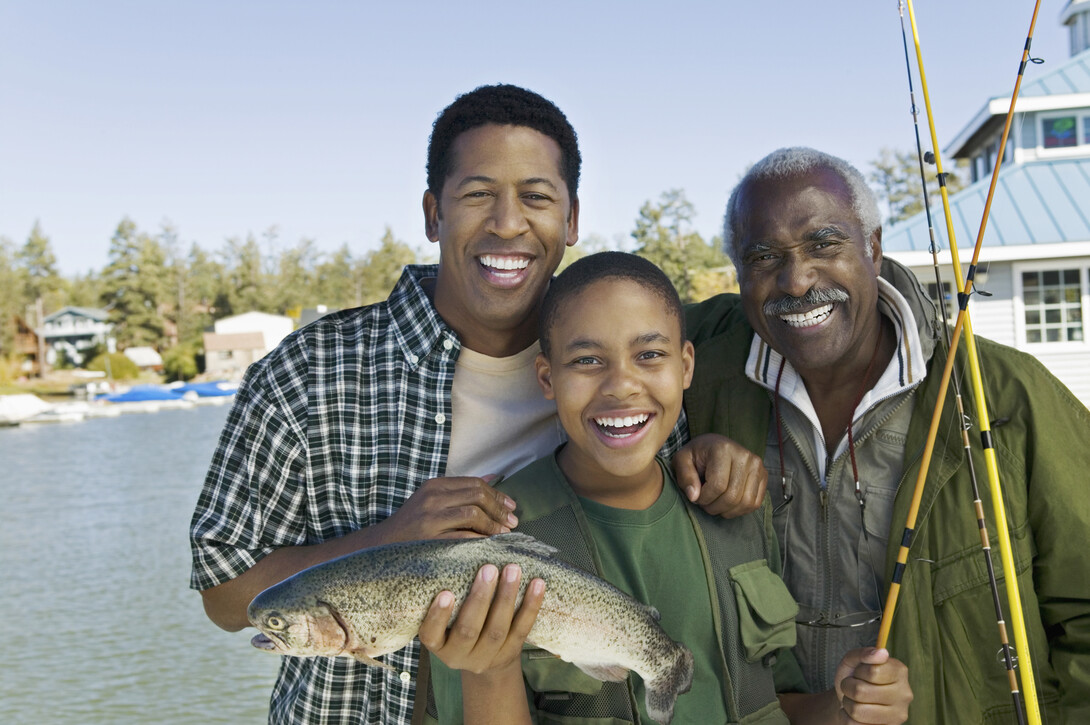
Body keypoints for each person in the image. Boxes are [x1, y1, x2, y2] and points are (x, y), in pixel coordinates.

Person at [189, 83, 588, 725]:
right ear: (433, 214)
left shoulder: (616, 373)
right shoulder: (306, 373)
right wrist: (389, 538)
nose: (508, 222)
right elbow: (224, 597)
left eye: (536, 197)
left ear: (570, 220)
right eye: (478, 193)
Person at [682, 146, 1090, 723]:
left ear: (873, 248)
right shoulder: (697, 373)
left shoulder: (1006, 392)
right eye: (764, 256)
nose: (796, 281)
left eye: (824, 244)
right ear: (739, 277)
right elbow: (583, 342)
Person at [420, 251, 913, 725]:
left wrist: (845, 706)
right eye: (588, 361)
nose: (622, 384)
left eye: (649, 355)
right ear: (547, 378)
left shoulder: (733, 509)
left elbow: (775, 702)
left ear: (686, 367)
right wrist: (490, 669)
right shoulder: (491, 544)